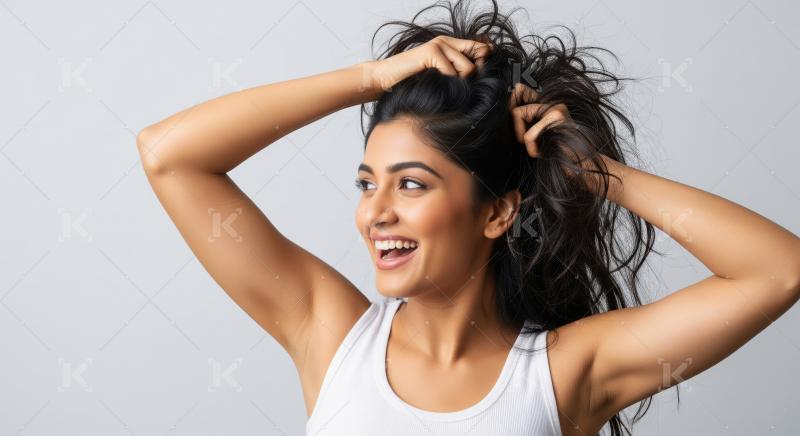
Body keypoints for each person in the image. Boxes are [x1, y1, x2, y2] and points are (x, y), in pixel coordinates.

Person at [135, 0, 800, 434]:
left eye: (412, 184)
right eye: (368, 183)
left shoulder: (562, 373)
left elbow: (777, 270)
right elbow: (168, 156)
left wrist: (598, 174)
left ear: (498, 212)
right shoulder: (331, 336)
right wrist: (372, 78)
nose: (375, 214)